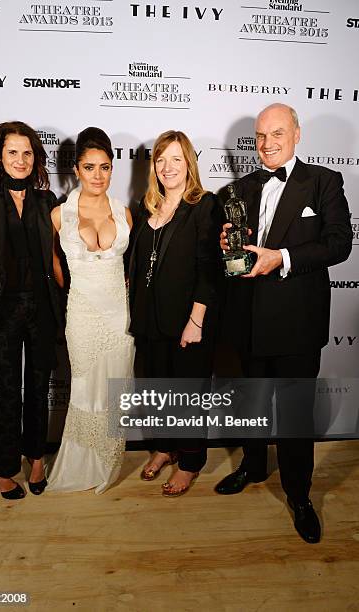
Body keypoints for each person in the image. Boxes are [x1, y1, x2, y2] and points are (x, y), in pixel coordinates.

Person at [215, 103, 352, 542]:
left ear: (296, 134)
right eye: (260, 136)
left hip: (296, 323)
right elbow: (235, 259)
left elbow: (338, 243)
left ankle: (299, 494)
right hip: (248, 319)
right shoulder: (238, 190)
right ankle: (253, 467)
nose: (267, 144)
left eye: (277, 133)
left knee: (294, 415)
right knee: (251, 405)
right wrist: (227, 246)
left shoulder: (324, 182)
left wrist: (283, 258)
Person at [0, 121, 61, 499]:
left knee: (38, 389)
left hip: (41, 309)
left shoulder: (47, 201)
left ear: (36, 158)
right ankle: (3, 467)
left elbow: (58, 261)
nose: (20, 160)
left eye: (27, 153)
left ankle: (36, 458)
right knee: (8, 393)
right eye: (12, 152)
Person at [129, 130, 222, 496]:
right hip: (149, 319)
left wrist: (196, 321)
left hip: (187, 322)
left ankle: (190, 463)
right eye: (161, 159)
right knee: (156, 390)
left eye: (176, 159)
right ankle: (165, 449)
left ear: (189, 164)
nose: (168, 167)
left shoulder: (204, 206)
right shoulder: (146, 207)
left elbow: (210, 270)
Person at [46, 127, 134, 493]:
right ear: (76, 170)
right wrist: (82, 294)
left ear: (112, 168)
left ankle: (107, 462)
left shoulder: (125, 213)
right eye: (89, 167)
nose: (98, 176)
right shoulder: (59, 215)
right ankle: (80, 464)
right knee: (84, 389)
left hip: (117, 315)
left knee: (114, 390)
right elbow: (55, 266)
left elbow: (132, 267)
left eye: (105, 167)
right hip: (81, 314)